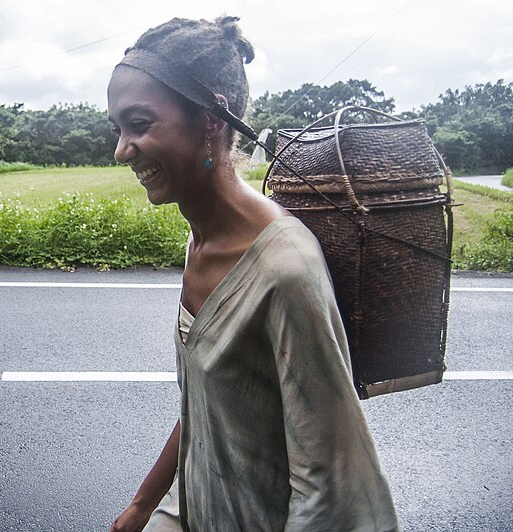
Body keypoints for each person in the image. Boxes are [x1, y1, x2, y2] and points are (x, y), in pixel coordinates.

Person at [106, 17, 400, 532]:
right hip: (195, 508)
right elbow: (207, 403)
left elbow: (333, 486)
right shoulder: (202, 239)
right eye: (119, 129)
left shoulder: (284, 270)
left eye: (140, 124)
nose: (122, 149)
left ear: (212, 119)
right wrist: (144, 504)